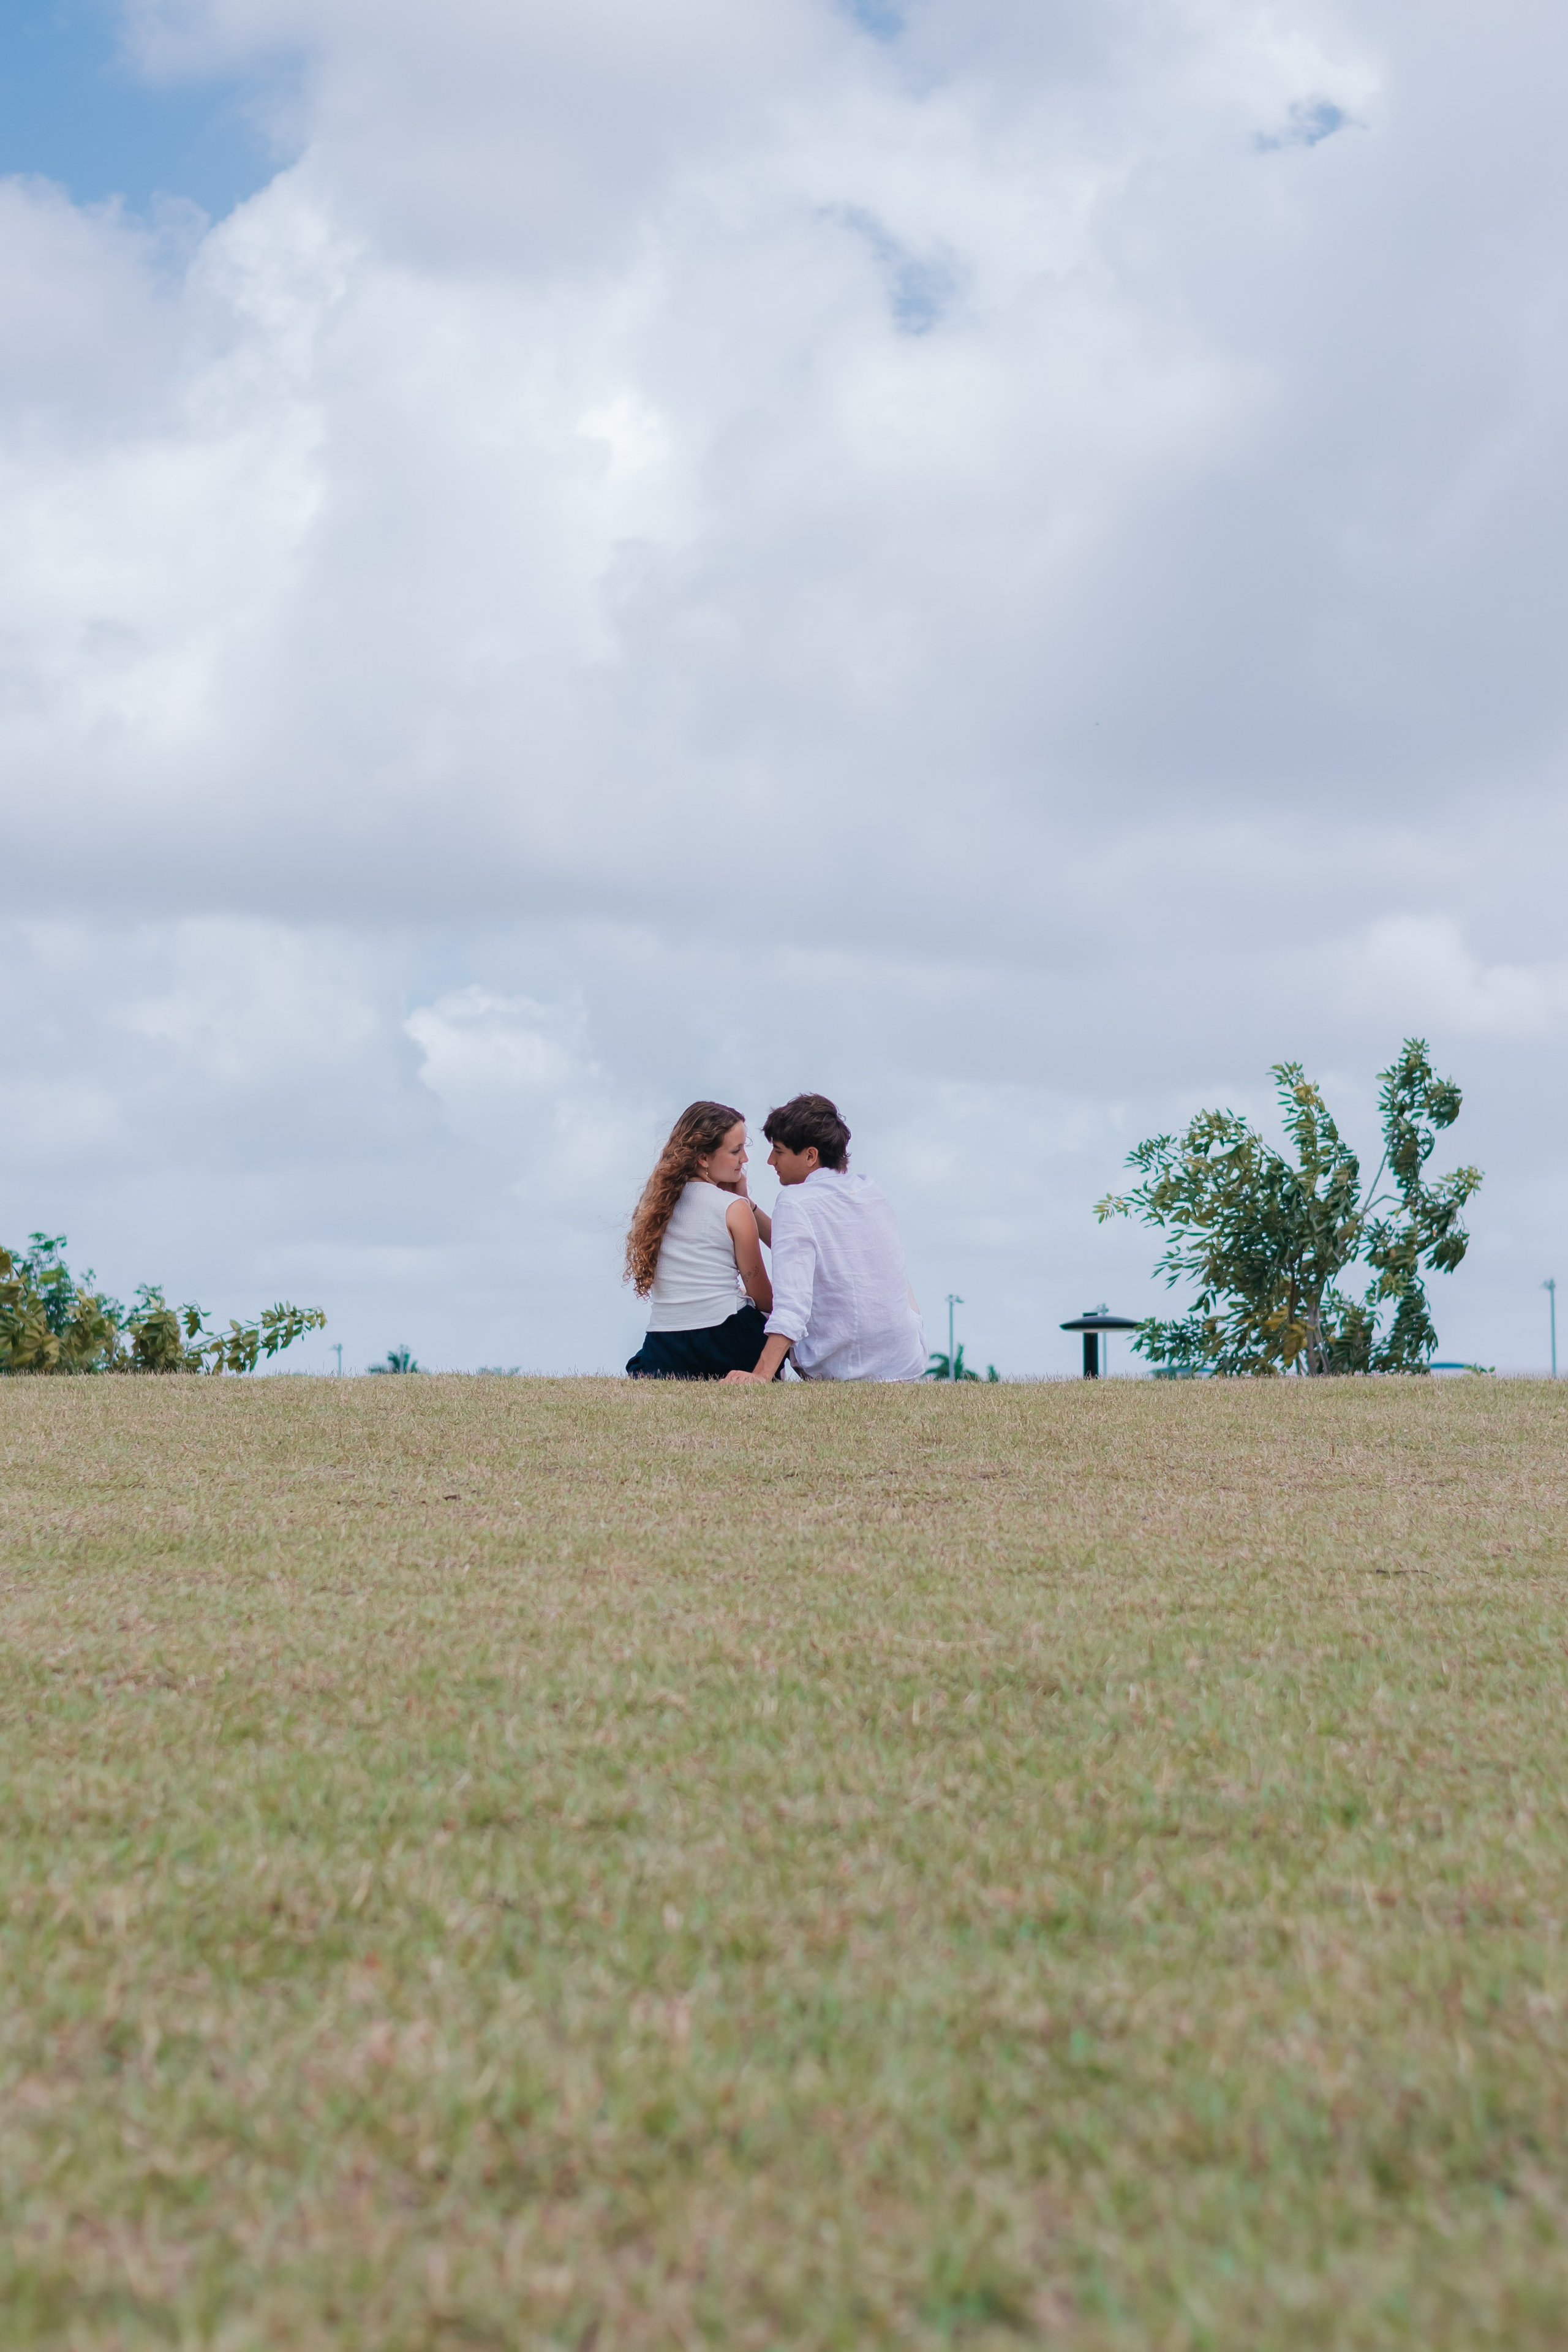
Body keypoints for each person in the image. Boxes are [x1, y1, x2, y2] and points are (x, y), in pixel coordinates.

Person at [723, 1093, 926, 1384]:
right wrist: (747, 1204)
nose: (770, 1161)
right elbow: (799, 1241)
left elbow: (793, 1305)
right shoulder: (869, 1189)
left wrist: (760, 1376)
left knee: (747, 1304)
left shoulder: (794, 1201)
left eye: (778, 1152)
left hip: (844, 1371)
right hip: (904, 1362)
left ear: (810, 1156)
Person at [624, 1101, 779, 1379]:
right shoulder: (734, 1207)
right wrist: (743, 1200)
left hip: (665, 1346)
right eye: (736, 1151)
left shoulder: (657, 1207)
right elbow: (765, 1299)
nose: (745, 1159)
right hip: (727, 1339)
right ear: (703, 1158)